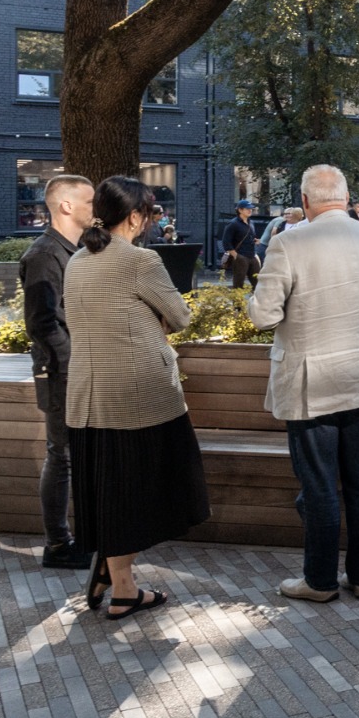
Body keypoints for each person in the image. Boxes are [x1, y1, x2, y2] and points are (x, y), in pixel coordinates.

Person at [248, 165, 359, 603]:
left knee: (319, 486)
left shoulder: (288, 242)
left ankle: (318, 581)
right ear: (347, 195)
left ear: (304, 201)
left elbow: (263, 315)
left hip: (309, 383)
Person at [65, 175, 206, 621]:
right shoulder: (141, 260)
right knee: (139, 491)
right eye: (148, 211)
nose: (150, 220)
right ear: (134, 216)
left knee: (108, 490)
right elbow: (181, 316)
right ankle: (122, 585)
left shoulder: (77, 261)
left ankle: (118, 577)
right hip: (139, 396)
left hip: (87, 396)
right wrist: (152, 320)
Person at [19, 173, 96, 570]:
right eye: (88, 202)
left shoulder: (72, 250)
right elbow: (42, 322)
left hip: (76, 367)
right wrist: (73, 361)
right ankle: (57, 545)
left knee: (69, 454)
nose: (93, 209)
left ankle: (74, 538)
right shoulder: (45, 255)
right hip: (61, 370)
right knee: (61, 454)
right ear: (66, 206)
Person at [220, 199, 260, 288]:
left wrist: (255, 240)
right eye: (247, 209)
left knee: (258, 282)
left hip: (252, 255)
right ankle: (237, 302)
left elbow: (247, 237)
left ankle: (257, 301)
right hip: (241, 256)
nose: (250, 210)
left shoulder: (251, 222)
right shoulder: (233, 223)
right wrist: (236, 255)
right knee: (238, 283)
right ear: (240, 210)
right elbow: (226, 241)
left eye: (251, 209)